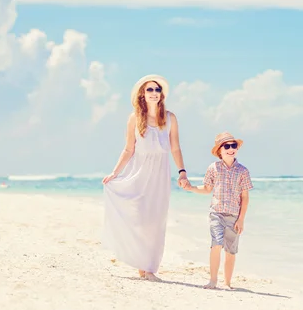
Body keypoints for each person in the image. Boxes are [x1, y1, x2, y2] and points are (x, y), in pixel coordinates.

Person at [101, 74, 190, 282]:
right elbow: (128, 149)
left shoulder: (170, 118)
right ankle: (141, 264)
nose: (153, 93)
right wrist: (115, 173)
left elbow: (175, 147)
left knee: (155, 221)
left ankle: (149, 268)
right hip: (138, 173)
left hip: (160, 174)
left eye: (157, 90)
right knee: (139, 218)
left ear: (161, 95)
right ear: (142, 93)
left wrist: (182, 171)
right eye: (149, 89)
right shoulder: (134, 118)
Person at [185, 132, 253, 289]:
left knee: (230, 251)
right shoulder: (213, 168)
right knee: (216, 244)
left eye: (233, 146)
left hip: (234, 216)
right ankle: (213, 280)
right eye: (227, 146)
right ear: (219, 151)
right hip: (216, 213)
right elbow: (207, 189)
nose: (231, 149)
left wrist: (241, 219)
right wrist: (191, 188)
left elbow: (245, 197)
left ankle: (227, 283)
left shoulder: (243, 171)